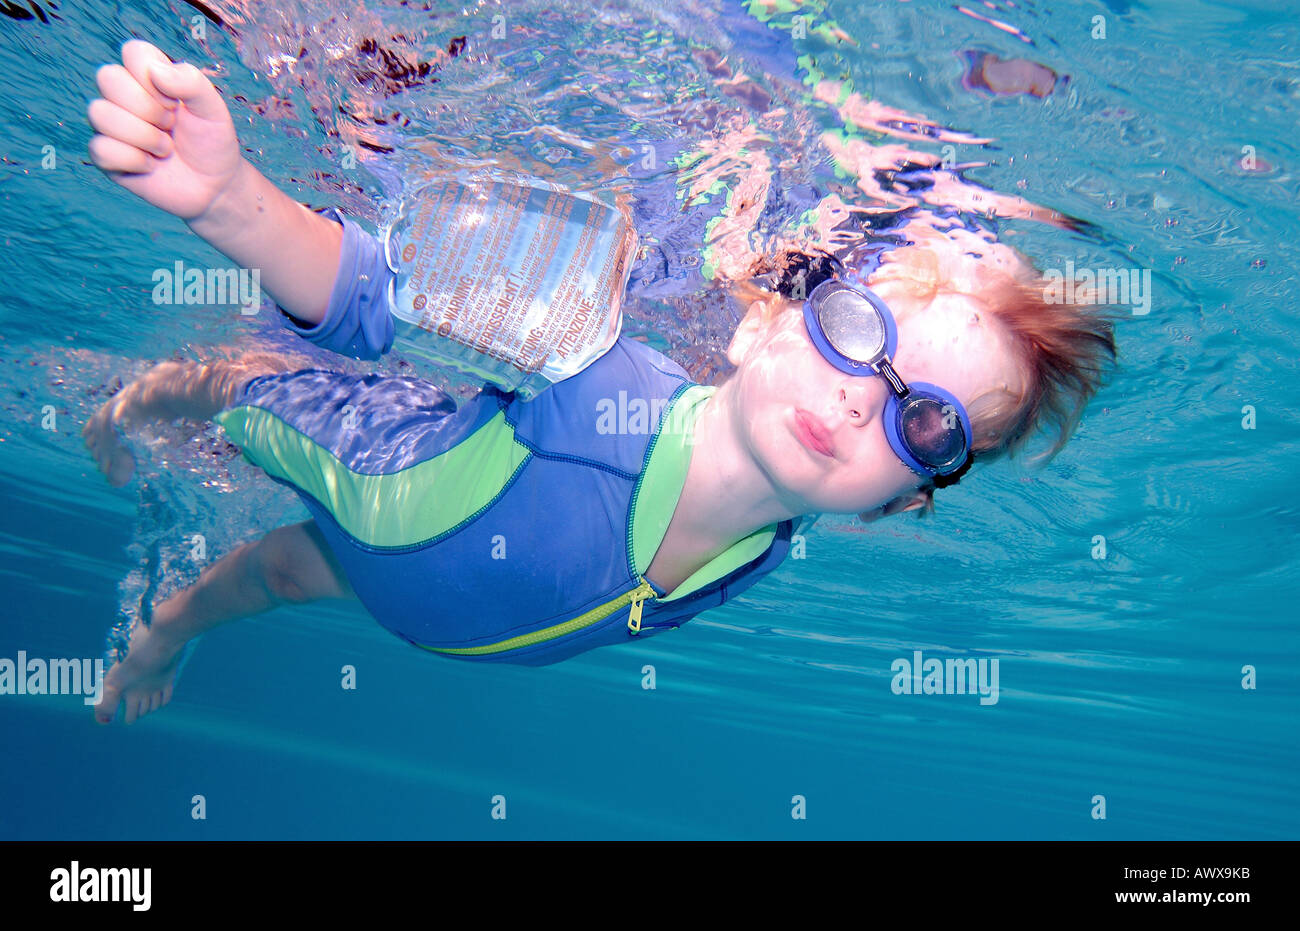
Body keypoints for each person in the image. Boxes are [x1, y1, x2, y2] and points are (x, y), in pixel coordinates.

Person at [82, 40, 1115, 724]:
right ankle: (168, 395)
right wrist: (228, 199)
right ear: (760, 322)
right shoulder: (589, 355)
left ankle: (167, 630)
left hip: (385, 587)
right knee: (245, 394)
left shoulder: (765, 549)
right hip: (372, 470)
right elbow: (366, 291)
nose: (862, 398)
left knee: (281, 576)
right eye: (855, 332)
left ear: (909, 496)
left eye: (924, 421)